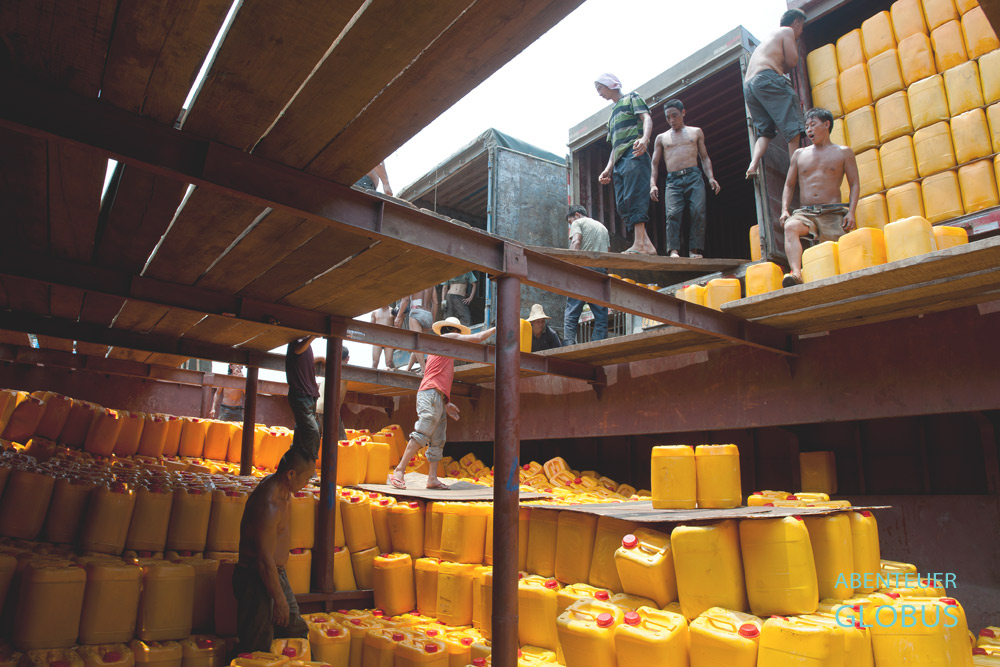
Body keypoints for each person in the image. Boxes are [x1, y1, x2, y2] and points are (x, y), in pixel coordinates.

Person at [387, 317, 496, 490]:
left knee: (438, 439)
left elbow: (439, 379)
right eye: (458, 334)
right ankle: (399, 471)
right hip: (429, 394)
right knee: (423, 430)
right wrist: (497, 328)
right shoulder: (447, 339)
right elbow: (477, 338)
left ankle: (432, 479)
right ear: (453, 332)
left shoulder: (444, 352)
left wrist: (446, 403)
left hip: (437, 397)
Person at [233, 447, 315, 652]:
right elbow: (263, 560)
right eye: (306, 478)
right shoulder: (269, 504)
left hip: (275, 573)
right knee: (257, 645)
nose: (307, 484)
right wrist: (279, 599)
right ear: (291, 474)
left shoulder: (285, 490)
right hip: (256, 577)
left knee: (295, 630)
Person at [780, 108, 859, 287]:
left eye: (812, 125)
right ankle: (796, 273)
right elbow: (789, 184)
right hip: (806, 213)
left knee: (839, 248)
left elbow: (854, 183)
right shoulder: (799, 154)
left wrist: (851, 212)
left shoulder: (843, 152)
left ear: (826, 124)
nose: (808, 130)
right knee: (790, 226)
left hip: (832, 212)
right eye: (806, 126)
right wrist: (785, 209)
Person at [650, 99, 721, 259]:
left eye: (674, 115)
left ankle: (694, 250)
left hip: (694, 176)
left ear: (683, 113)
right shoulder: (661, 138)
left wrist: (711, 177)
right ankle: (674, 250)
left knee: (698, 211)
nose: (671, 120)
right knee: (673, 213)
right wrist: (652, 184)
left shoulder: (696, 132)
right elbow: (654, 164)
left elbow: (704, 157)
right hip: (673, 181)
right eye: (668, 117)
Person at [595, 73, 656, 255]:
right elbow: (615, 145)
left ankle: (639, 244)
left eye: (600, 88)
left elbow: (647, 118)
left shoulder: (632, 98)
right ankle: (648, 245)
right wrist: (607, 169)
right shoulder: (612, 115)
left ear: (610, 84)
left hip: (634, 152)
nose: (599, 94)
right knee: (622, 203)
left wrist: (645, 139)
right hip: (620, 160)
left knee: (634, 196)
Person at [744, 8, 808, 179]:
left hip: (749, 85)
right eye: (801, 27)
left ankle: (753, 164)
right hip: (766, 76)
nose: (800, 32)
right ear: (796, 22)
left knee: (766, 132)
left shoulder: (768, 41)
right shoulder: (786, 31)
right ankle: (796, 170)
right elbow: (792, 61)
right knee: (793, 119)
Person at [563, 205, 610, 345]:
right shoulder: (603, 228)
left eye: (570, 221)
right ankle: (598, 344)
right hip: (600, 272)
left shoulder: (578, 223)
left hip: (583, 271)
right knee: (601, 314)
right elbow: (608, 253)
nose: (571, 225)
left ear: (577, 215)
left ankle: (569, 343)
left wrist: (569, 265)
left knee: (572, 310)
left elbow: (576, 241)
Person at [285, 335, 320, 460]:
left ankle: (291, 464)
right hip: (300, 395)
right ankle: (309, 466)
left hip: (310, 396)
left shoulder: (306, 345)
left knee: (301, 433)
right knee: (312, 431)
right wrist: (313, 336)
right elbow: (298, 350)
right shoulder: (296, 342)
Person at [395, 286, 438, 373]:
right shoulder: (432, 284)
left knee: (416, 344)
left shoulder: (414, 283)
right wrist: (432, 320)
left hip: (416, 312)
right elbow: (436, 302)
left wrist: (398, 316)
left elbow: (406, 300)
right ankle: (408, 368)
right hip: (428, 315)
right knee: (418, 343)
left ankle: (424, 369)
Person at [316, 348, 350, 441]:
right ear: (348, 358)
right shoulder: (343, 370)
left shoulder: (331, 366)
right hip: (329, 411)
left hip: (319, 408)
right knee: (341, 442)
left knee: (318, 441)